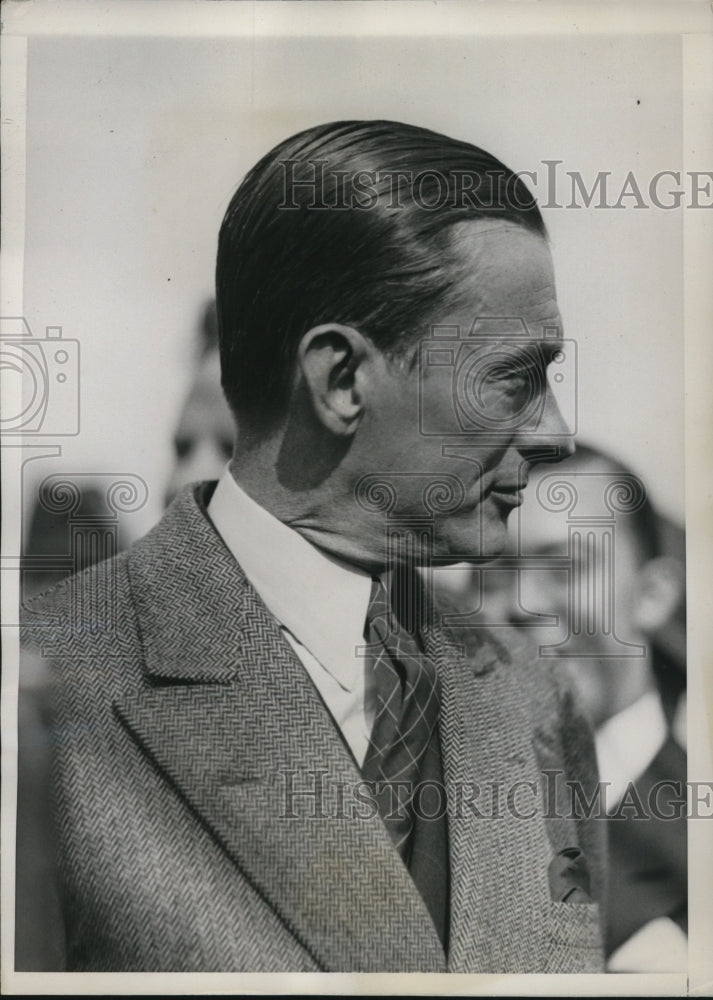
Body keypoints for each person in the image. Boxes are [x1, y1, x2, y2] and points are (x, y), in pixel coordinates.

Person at [18, 120, 605, 973]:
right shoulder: (48, 699)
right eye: (512, 378)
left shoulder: (530, 694)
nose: (553, 430)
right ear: (339, 380)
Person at [439, 443, 686, 971]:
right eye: (496, 574)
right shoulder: (432, 811)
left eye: (566, 567)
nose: (525, 603)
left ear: (653, 595)